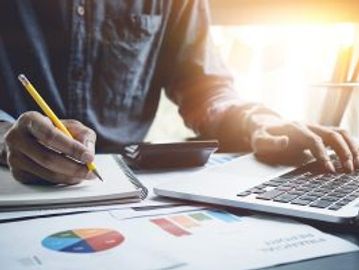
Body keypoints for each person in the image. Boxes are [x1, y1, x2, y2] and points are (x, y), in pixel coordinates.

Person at [0, 0, 358, 185]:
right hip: (10, 181)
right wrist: (5, 138)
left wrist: (259, 122)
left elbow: (204, 88)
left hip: (127, 188)